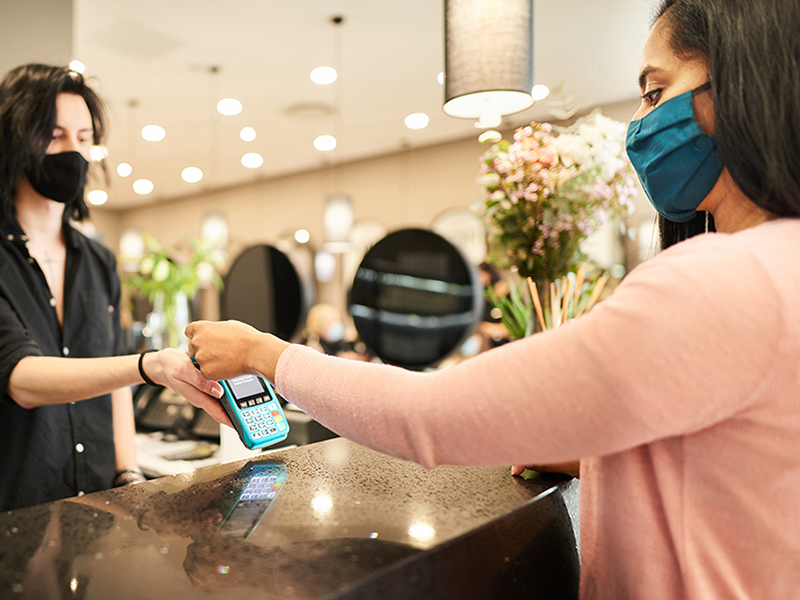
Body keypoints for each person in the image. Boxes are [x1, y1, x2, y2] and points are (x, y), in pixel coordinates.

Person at [186, 0, 800, 597]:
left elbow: (427, 416)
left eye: (653, 91)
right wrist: (596, 459)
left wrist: (265, 355)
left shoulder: (720, 280)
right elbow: (737, 468)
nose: (640, 123)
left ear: (739, 80)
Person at [0, 64, 227, 512]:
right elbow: (21, 378)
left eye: (84, 138)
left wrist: (129, 474)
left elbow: (114, 382)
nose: (74, 151)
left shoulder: (99, 260)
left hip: (96, 507)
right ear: (15, 139)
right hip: (16, 504)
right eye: (55, 134)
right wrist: (148, 366)